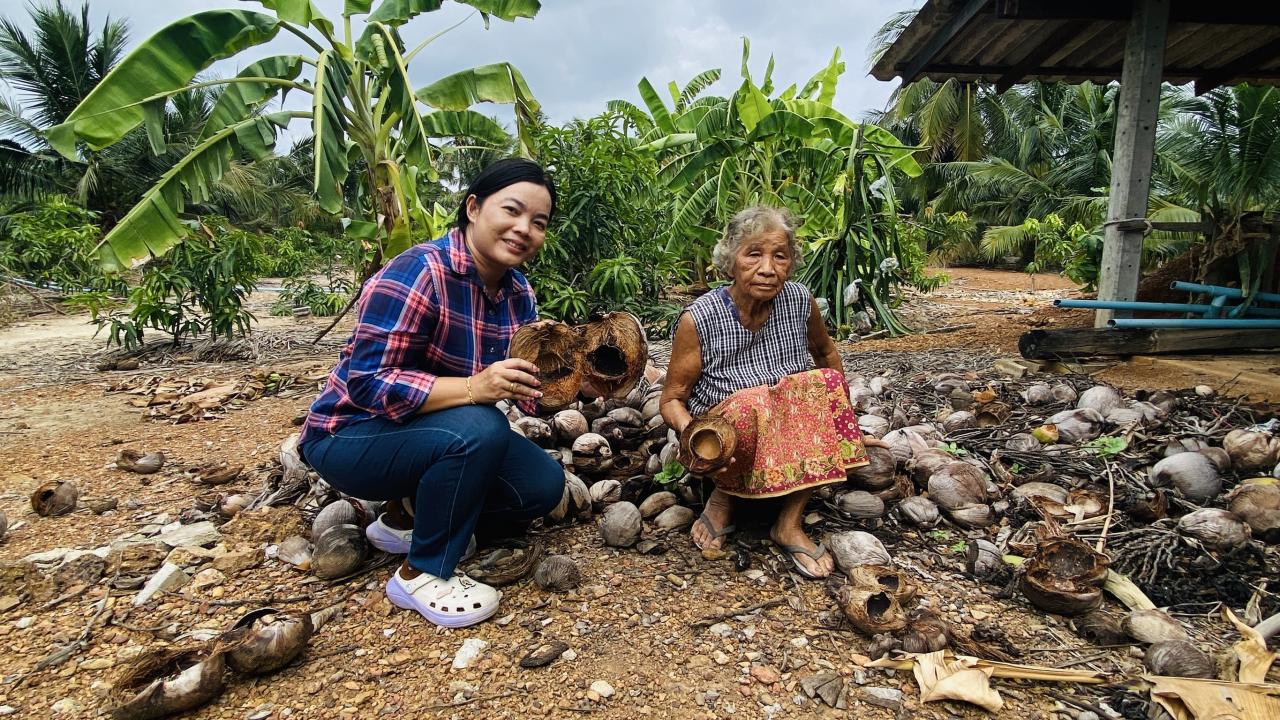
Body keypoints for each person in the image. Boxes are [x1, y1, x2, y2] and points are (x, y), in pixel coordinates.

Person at [299, 158, 565, 628]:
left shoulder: (519, 292)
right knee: (480, 424)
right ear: (473, 208)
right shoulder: (420, 271)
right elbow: (366, 381)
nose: (524, 229)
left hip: (431, 434)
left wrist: (568, 379)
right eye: (512, 210)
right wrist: (473, 387)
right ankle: (421, 572)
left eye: (538, 223)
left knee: (540, 486)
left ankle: (406, 518)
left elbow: (522, 389)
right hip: (349, 435)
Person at [660, 206, 883, 579]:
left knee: (819, 386)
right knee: (754, 403)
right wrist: (691, 435)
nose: (768, 268)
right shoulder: (699, 317)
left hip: (788, 414)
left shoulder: (798, 300)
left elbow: (826, 354)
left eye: (779, 256)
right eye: (753, 254)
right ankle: (724, 497)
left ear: (791, 263)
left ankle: (788, 522)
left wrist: (842, 420)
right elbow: (671, 399)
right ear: (731, 261)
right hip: (729, 425)